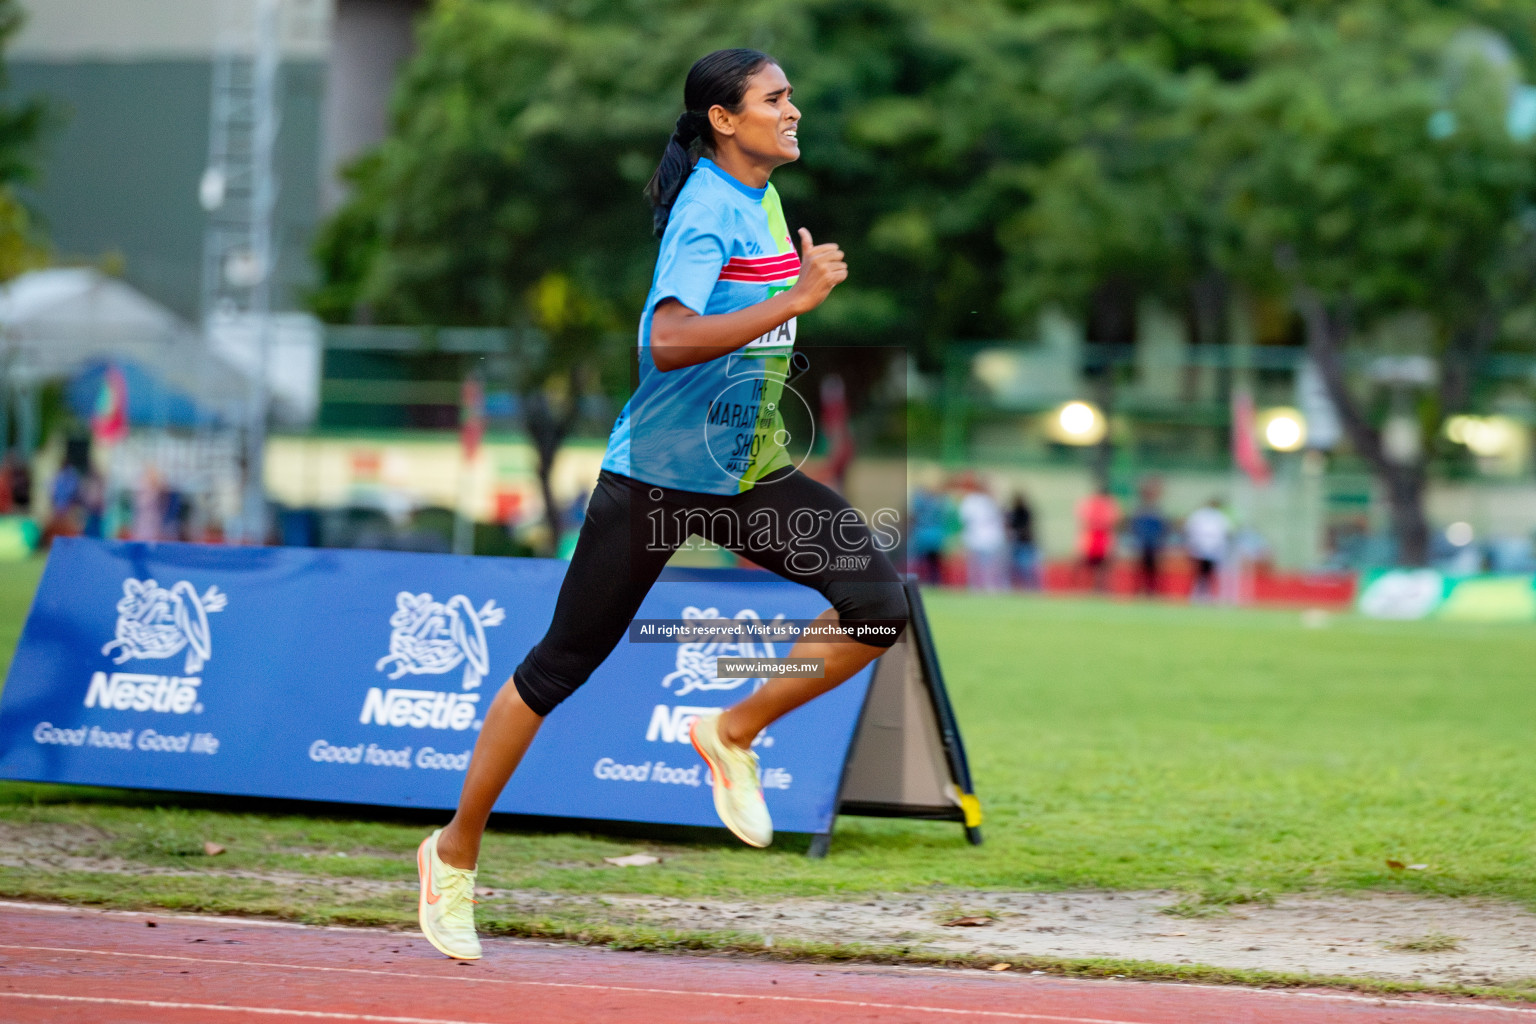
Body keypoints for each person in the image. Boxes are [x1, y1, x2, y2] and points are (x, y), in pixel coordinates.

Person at [415, 49, 908, 962]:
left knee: (879, 608)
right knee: (560, 667)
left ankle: (730, 730)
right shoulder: (707, 209)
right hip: (655, 481)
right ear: (725, 119)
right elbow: (669, 342)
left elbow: (742, 326)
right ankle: (453, 852)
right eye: (776, 99)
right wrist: (796, 298)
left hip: (746, 472)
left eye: (791, 95)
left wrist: (789, 301)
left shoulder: (760, 198)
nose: (794, 110)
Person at [957, 479, 1006, 591]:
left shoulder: (989, 501)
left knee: (989, 568)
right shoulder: (971, 500)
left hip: (989, 540)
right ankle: (978, 588)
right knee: (978, 567)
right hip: (977, 539)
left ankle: (989, 587)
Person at [1185, 497, 1230, 601]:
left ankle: (1204, 593)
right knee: (1201, 572)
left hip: (1211, 548)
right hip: (1202, 547)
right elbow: (1191, 529)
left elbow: (1224, 532)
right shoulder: (1202, 515)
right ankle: (1198, 593)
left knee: (1207, 572)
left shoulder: (1218, 516)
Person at [1127, 481, 1168, 597]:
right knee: (1140, 569)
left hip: (1154, 544)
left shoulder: (1156, 511)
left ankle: (1152, 591)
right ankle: (1139, 590)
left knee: (1153, 570)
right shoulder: (1140, 511)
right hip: (1142, 544)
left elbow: (1163, 529)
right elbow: (1134, 528)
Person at [1076, 485, 1120, 592]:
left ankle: (1085, 586)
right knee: (1101, 565)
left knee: (1092, 564)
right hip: (1099, 537)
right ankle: (1098, 586)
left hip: (1095, 536)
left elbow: (1084, 520)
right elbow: (1113, 522)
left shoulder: (1091, 503)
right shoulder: (1109, 504)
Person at [1007, 492, 1040, 590]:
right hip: (1020, 543)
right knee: (1021, 568)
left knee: (1026, 568)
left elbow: (1024, 527)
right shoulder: (1017, 512)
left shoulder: (1023, 512)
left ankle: (1029, 587)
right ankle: (1025, 587)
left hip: (1024, 543)